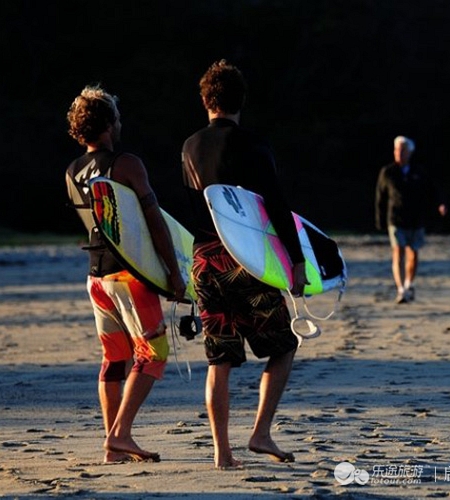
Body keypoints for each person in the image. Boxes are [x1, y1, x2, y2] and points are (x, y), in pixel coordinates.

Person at [182, 60, 308, 469]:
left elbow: (192, 207)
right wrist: (298, 262)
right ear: (241, 102)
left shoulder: (190, 146)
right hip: (246, 260)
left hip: (205, 260)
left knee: (219, 359)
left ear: (206, 101)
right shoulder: (255, 144)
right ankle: (260, 432)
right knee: (284, 346)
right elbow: (276, 207)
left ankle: (222, 453)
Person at [64, 85, 186, 462]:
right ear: (106, 125)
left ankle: (113, 447)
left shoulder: (71, 172)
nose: (120, 123)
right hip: (128, 277)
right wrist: (172, 272)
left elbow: (96, 225)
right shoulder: (127, 164)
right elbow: (151, 221)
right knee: (155, 351)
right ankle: (119, 435)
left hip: (96, 276)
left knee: (115, 358)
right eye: (116, 118)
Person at [374, 136, 447, 304]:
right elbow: (380, 197)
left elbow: (433, 190)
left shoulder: (419, 172)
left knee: (413, 253)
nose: (399, 153)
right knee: (398, 251)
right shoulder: (388, 172)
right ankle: (400, 289)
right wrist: (380, 220)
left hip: (416, 219)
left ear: (410, 153)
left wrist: (441, 204)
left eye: (403, 150)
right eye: (397, 150)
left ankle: (409, 283)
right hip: (395, 218)